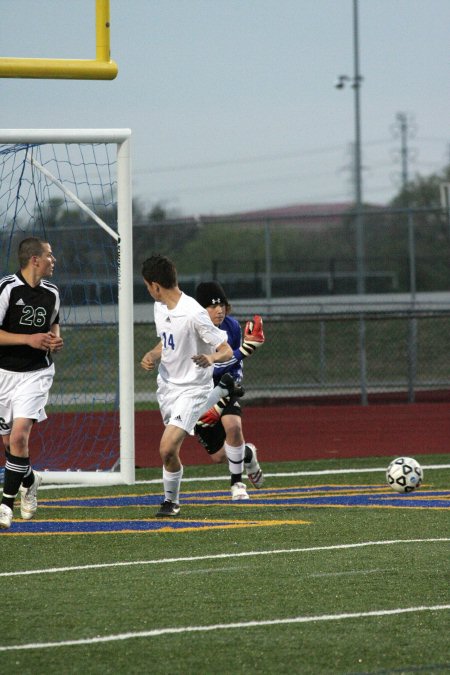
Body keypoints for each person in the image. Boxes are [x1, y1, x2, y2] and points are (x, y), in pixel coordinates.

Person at [140, 254, 243, 517]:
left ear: (155, 285)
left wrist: (210, 357)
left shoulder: (195, 313)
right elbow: (168, 341)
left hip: (192, 389)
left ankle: (170, 502)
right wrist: (153, 354)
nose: (148, 291)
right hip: (166, 386)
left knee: (167, 447)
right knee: (169, 453)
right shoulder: (160, 307)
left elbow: (226, 349)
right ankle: (170, 499)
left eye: (147, 286)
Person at [0, 237, 63, 530]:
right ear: (34, 259)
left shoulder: (52, 292)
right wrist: (28, 338)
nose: (54, 260)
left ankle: (5, 504)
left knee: (19, 437)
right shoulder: (7, 289)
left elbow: (53, 324)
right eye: (50, 255)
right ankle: (30, 479)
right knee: (9, 444)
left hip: (36, 373)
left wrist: (54, 339)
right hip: (3, 375)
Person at [194, 281, 265, 500]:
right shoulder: (192, 331)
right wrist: (246, 349)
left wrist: (233, 385)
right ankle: (247, 454)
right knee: (217, 456)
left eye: (222, 304)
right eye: (212, 306)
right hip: (199, 393)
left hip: (225, 387)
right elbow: (206, 367)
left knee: (233, 428)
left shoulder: (232, 327)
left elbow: (234, 365)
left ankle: (237, 485)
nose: (219, 310)